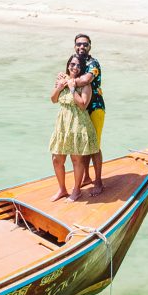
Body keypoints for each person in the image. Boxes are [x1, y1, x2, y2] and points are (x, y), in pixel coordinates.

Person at [49, 54, 100, 201]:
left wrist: (72, 89)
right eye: (72, 64)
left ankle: (76, 190)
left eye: (78, 65)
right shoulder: (62, 80)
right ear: (68, 65)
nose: (75, 67)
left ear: (82, 68)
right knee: (56, 159)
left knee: (76, 159)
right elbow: (53, 99)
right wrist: (59, 88)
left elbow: (83, 105)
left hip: (78, 123)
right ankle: (62, 189)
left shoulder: (85, 85)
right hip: (63, 125)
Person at [61, 34, 105, 196]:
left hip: (95, 107)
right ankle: (86, 177)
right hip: (82, 108)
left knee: (94, 146)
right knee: (84, 145)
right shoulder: (77, 61)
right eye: (78, 44)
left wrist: (66, 81)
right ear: (74, 46)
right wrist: (66, 79)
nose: (81, 47)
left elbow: (85, 80)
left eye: (85, 44)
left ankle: (98, 181)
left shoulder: (93, 63)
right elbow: (70, 74)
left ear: (90, 47)